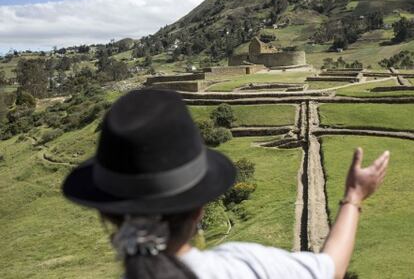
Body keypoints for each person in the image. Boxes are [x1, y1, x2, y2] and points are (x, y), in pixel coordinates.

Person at [62, 89, 390, 279]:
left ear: (106, 215)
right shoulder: (245, 267)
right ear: (199, 208)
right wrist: (354, 195)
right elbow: (329, 268)